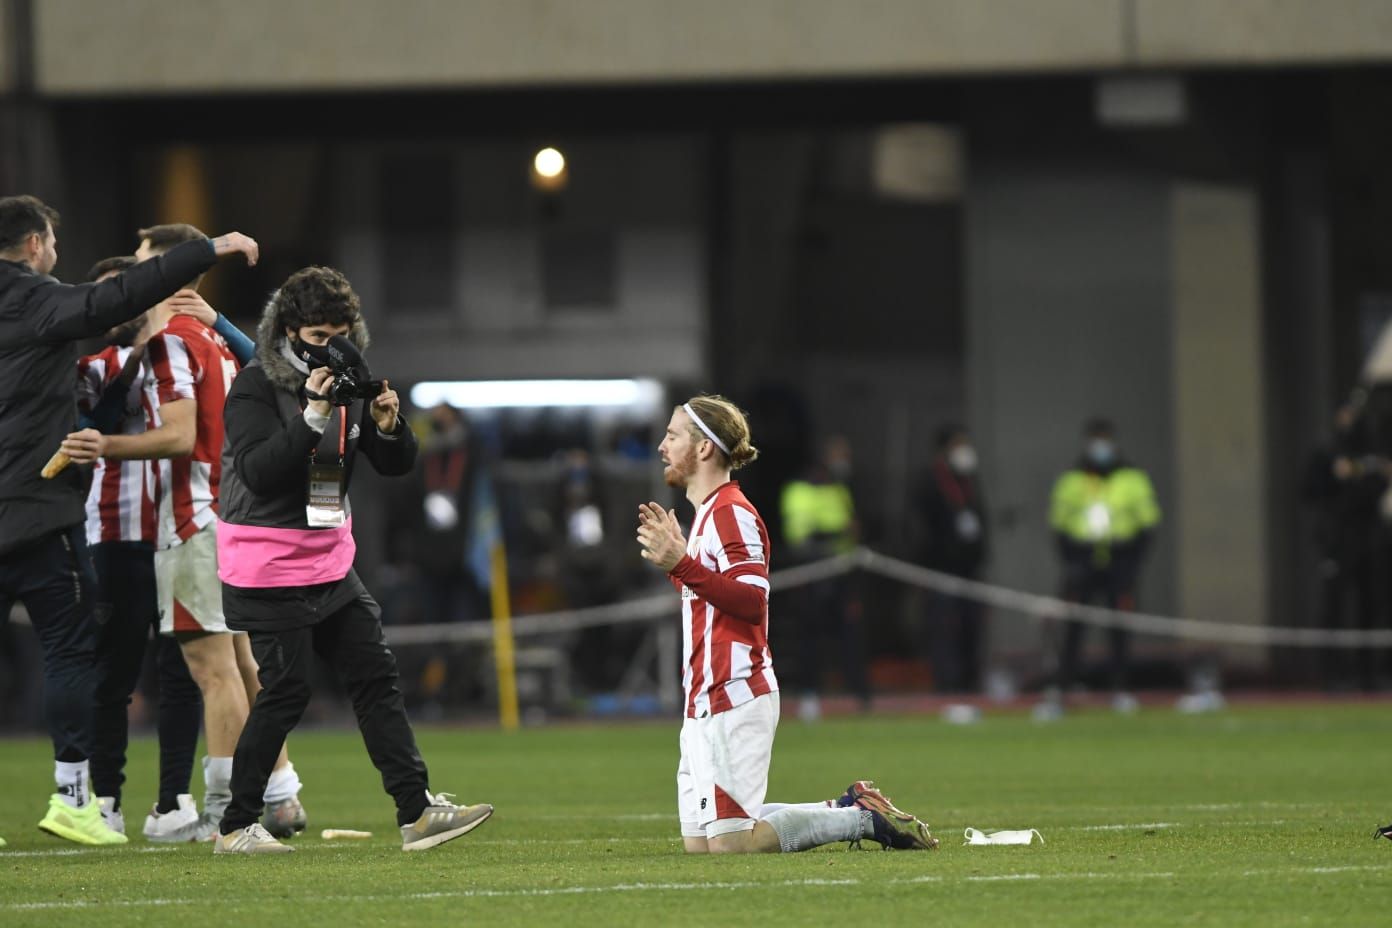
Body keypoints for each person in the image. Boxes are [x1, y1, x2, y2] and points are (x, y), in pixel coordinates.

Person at [0, 194, 258, 845]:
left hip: (163, 524)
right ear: (35, 244)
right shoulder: (49, 310)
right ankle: (87, 798)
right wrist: (207, 252)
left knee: (201, 668)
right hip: (77, 522)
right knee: (94, 659)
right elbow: (103, 308)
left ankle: (187, 799)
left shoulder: (167, 347)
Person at [210, 266, 493, 853]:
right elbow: (259, 473)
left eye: (339, 333)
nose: (329, 348)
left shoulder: (350, 381)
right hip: (268, 566)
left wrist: (390, 428)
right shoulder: (256, 386)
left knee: (375, 678)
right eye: (317, 337)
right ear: (289, 331)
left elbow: (392, 466)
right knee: (287, 691)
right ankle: (236, 826)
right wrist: (312, 415)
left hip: (329, 560)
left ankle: (415, 812)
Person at [62, 224, 306, 840]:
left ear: (170, 271)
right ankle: (281, 791)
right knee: (244, 660)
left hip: (194, 516)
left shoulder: (173, 339)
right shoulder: (213, 338)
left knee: (211, 670)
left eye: (146, 265)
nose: (137, 277)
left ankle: (229, 808)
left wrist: (103, 444)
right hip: (234, 511)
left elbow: (177, 434)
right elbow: (277, 380)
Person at [636, 395, 936, 853]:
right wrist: (678, 566)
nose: (662, 445)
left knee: (733, 846)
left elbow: (753, 601)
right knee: (702, 846)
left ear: (702, 449)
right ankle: (846, 808)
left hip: (733, 692)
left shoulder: (731, 512)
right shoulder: (705, 518)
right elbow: (709, 599)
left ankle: (858, 820)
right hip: (702, 699)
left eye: (673, 435)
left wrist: (683, 564)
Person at [1039, 418, 1161, 718]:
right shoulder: (1072, 479)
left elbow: (1148, 523)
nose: (1101, 447)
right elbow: (1059, 524)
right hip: (1083, 560)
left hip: (1119, 561)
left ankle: (1120, 688)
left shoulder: (1133, 478)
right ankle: (1065, 687)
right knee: (1074, 629)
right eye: (1096, 440)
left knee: (1120, 627)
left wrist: (1132, 563)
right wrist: (1070, 562)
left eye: (1105, 439)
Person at [778, 434, 869, 718]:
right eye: (838, 455)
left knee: (849, 634)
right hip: (812, 573)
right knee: (810, 637)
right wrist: (838, 534)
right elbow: (799, 535)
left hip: (841, 573)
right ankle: (809, 695)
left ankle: (859, 696)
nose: (844, 461)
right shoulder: (800, 489)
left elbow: (852, 527)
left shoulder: (840, 489)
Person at [915, 425, 989, 693]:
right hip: (940, 570)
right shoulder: (928, 483)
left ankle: (970, 686)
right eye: (959, 445)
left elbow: (979, 524)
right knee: (944, 632)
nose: (964, 451)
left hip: (969, 571)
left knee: (971, 630)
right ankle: (947, 688)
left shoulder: (969, 481)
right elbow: (920, 529)